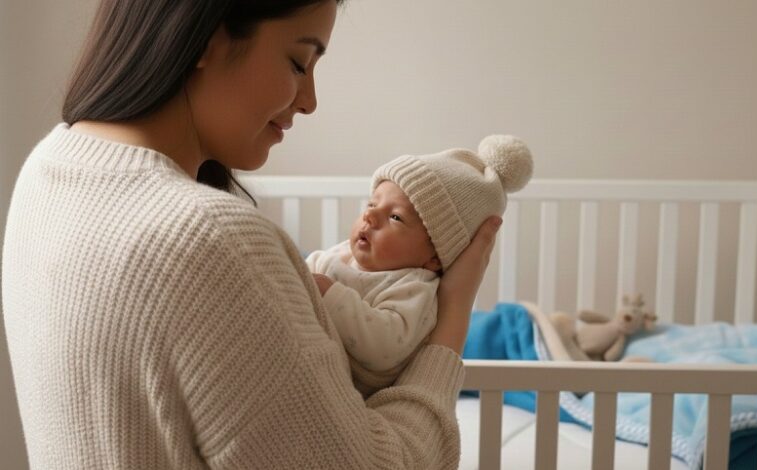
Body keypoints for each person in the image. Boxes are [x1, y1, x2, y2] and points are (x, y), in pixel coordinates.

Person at [1, 1, 503, 469]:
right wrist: (452, 319)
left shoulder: (48, 168)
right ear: (207, 39)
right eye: (298, 62)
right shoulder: (212, 242)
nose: (309, 101)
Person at [307, 135, 533, 396]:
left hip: (352, 392)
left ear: (435, 256)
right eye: (372, 203)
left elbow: (386, 347)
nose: (369, 215)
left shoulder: (413, 287)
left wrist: (330, 294)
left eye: (395, 217)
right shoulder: (339, 254)